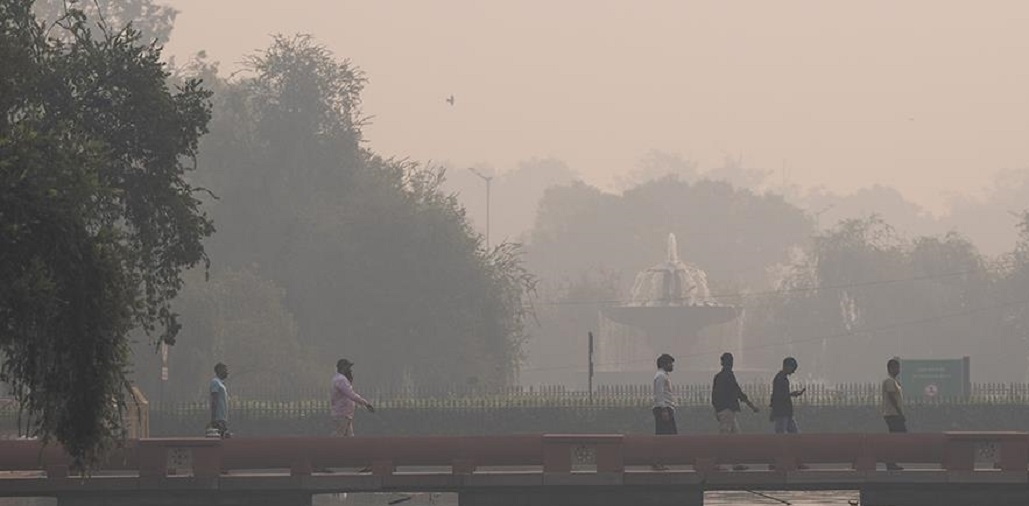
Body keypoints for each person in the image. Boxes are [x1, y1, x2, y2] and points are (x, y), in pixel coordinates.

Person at [331, 358, 375, 437]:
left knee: (349, 437)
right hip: (342, 413)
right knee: (339, 436)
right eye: (348, 367)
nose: (350, 370)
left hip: (345, 414)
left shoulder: (340, 379)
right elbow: (351, 394)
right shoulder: (341, 380)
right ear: (343, 367)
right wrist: (365, 403)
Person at [651, 353, 677, 471]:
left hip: (666, 408)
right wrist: (664, 409)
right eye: (670, 363)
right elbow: (659, 393)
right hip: (663, 409)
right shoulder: (661, 376)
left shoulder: (663, 375)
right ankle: (657, 461)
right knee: (663, 436)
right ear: (664, 364)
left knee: (668, 436)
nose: (672, 366)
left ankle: (660, 461)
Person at [881, 358, 906, 471]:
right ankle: (890, 461)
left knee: (895, 437)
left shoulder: (894, 382)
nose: (898, 370)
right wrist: (899, 412)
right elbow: (892, 397)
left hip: (894, 414)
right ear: (890, 369)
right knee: (897, 437)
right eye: (896, 367)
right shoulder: (889, 381)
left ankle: (891, 461)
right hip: (893, 414)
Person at [769, 357, 805, 434]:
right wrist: (792, 394)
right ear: (787, 366)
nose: (793, 371)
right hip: (781, 412)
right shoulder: (780, 379)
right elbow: (778, 396)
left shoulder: (781, 378)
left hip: (786, 412)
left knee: (794, 434)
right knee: (781, 434)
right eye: (793, 368)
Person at [209, 362, 231, 438]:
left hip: (222, 417)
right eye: (225, 370)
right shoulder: (215, 382)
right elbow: (214, 400)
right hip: (218, 418)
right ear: (219, 370)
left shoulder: (221, 383)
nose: (227, 372)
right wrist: (213, 418)